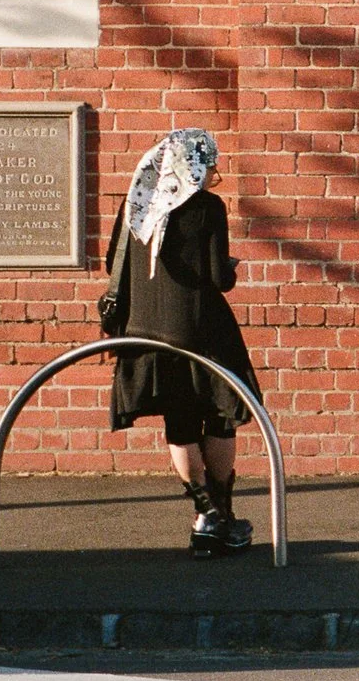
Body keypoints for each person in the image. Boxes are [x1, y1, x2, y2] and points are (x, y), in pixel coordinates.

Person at [102, 128, 261, 558]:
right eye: (210, 162)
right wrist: (230, 267)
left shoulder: (136, 203)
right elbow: (216, 278)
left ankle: (204, 515)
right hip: (202, 332)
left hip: (148, 333)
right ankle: (223, 517)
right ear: (193, 164)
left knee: (180, 423)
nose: (215, 171)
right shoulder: (208, 209)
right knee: (222, 416)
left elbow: (111, 265)